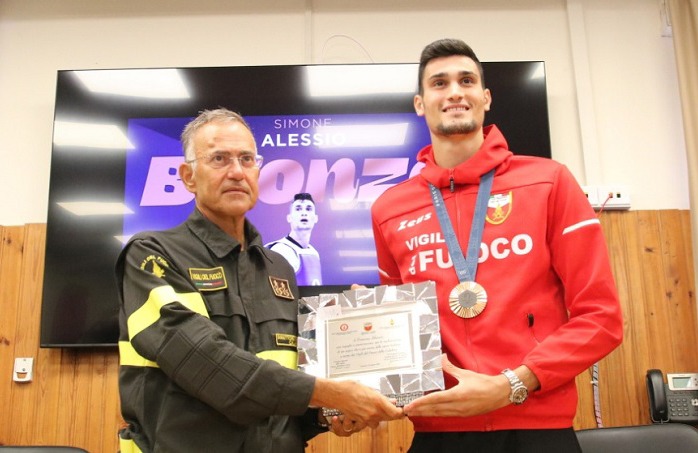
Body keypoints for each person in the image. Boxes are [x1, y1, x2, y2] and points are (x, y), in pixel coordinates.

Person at [369, 39, 624, 452]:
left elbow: (602, 317)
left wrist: (512, 385)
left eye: (466, 80)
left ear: (485, 98)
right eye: (439, 83)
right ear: (420, 103)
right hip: (438, 434)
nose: (454, 91)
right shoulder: (388, 209)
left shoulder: (548, 182)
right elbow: (398, 333)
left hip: (538, 429)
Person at [116, 108, 403, 453]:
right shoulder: (151, 257)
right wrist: (332, 393)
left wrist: (328, 414)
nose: (236, 171)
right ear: (188, 176)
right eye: (219, 159)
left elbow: (281, 400)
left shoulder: (278, 268)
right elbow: (208, 366)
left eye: (246, 159)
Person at [267, 193, 323, 286]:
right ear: (289, 218)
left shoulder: (314, 253)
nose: (304, 213)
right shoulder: (280, 251)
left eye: (308, 209)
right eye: (298, 209)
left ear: (316, 218)